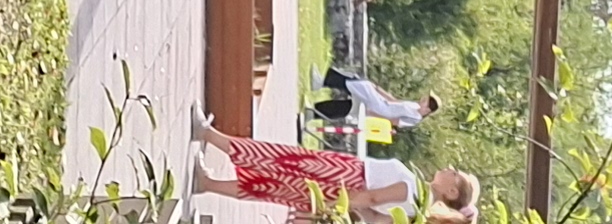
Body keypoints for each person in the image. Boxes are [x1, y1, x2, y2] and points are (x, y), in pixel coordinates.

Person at [195, 117, 474, 219]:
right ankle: (207, 184)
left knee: (276, 158)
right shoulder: (417, 211)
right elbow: (377, 218)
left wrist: (345, 200)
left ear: (450, 191)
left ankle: (209, 135)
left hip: (344, 176)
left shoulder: (413, 189)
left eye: (455, 174)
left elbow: (374, 198)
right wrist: (341, 207)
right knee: (272, 188)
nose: (450, 168)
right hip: (341, 190)